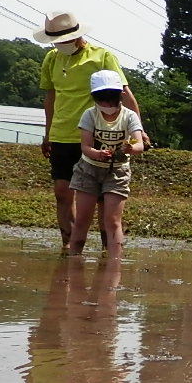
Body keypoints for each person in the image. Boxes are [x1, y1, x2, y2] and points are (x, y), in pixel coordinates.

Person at [34, 11, 148, 248]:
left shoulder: (102, 57)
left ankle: (109, 249)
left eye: (63, 39)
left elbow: (123, 93)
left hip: (98, 134)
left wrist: (139, 129)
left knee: (102, 197)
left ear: (76, 36)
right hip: (62, 135)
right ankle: (70, 246)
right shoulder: (52, 60)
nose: (58, 44)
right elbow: (50, 97)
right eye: (54, 40)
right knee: (62, 191)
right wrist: (47, 133)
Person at [67, 71, 144, 255]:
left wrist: (130, 148)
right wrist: (97, 153)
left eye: (111, 100)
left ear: (121, 96)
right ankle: (74, 260)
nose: (107, 105)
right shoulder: (90, 115)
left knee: (112, 220)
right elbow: (85, 146)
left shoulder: (129, 116)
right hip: (89, 170)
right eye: (102, 100)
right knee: (82, 220)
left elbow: (139, 143)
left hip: (117, 172)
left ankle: (114, 265)